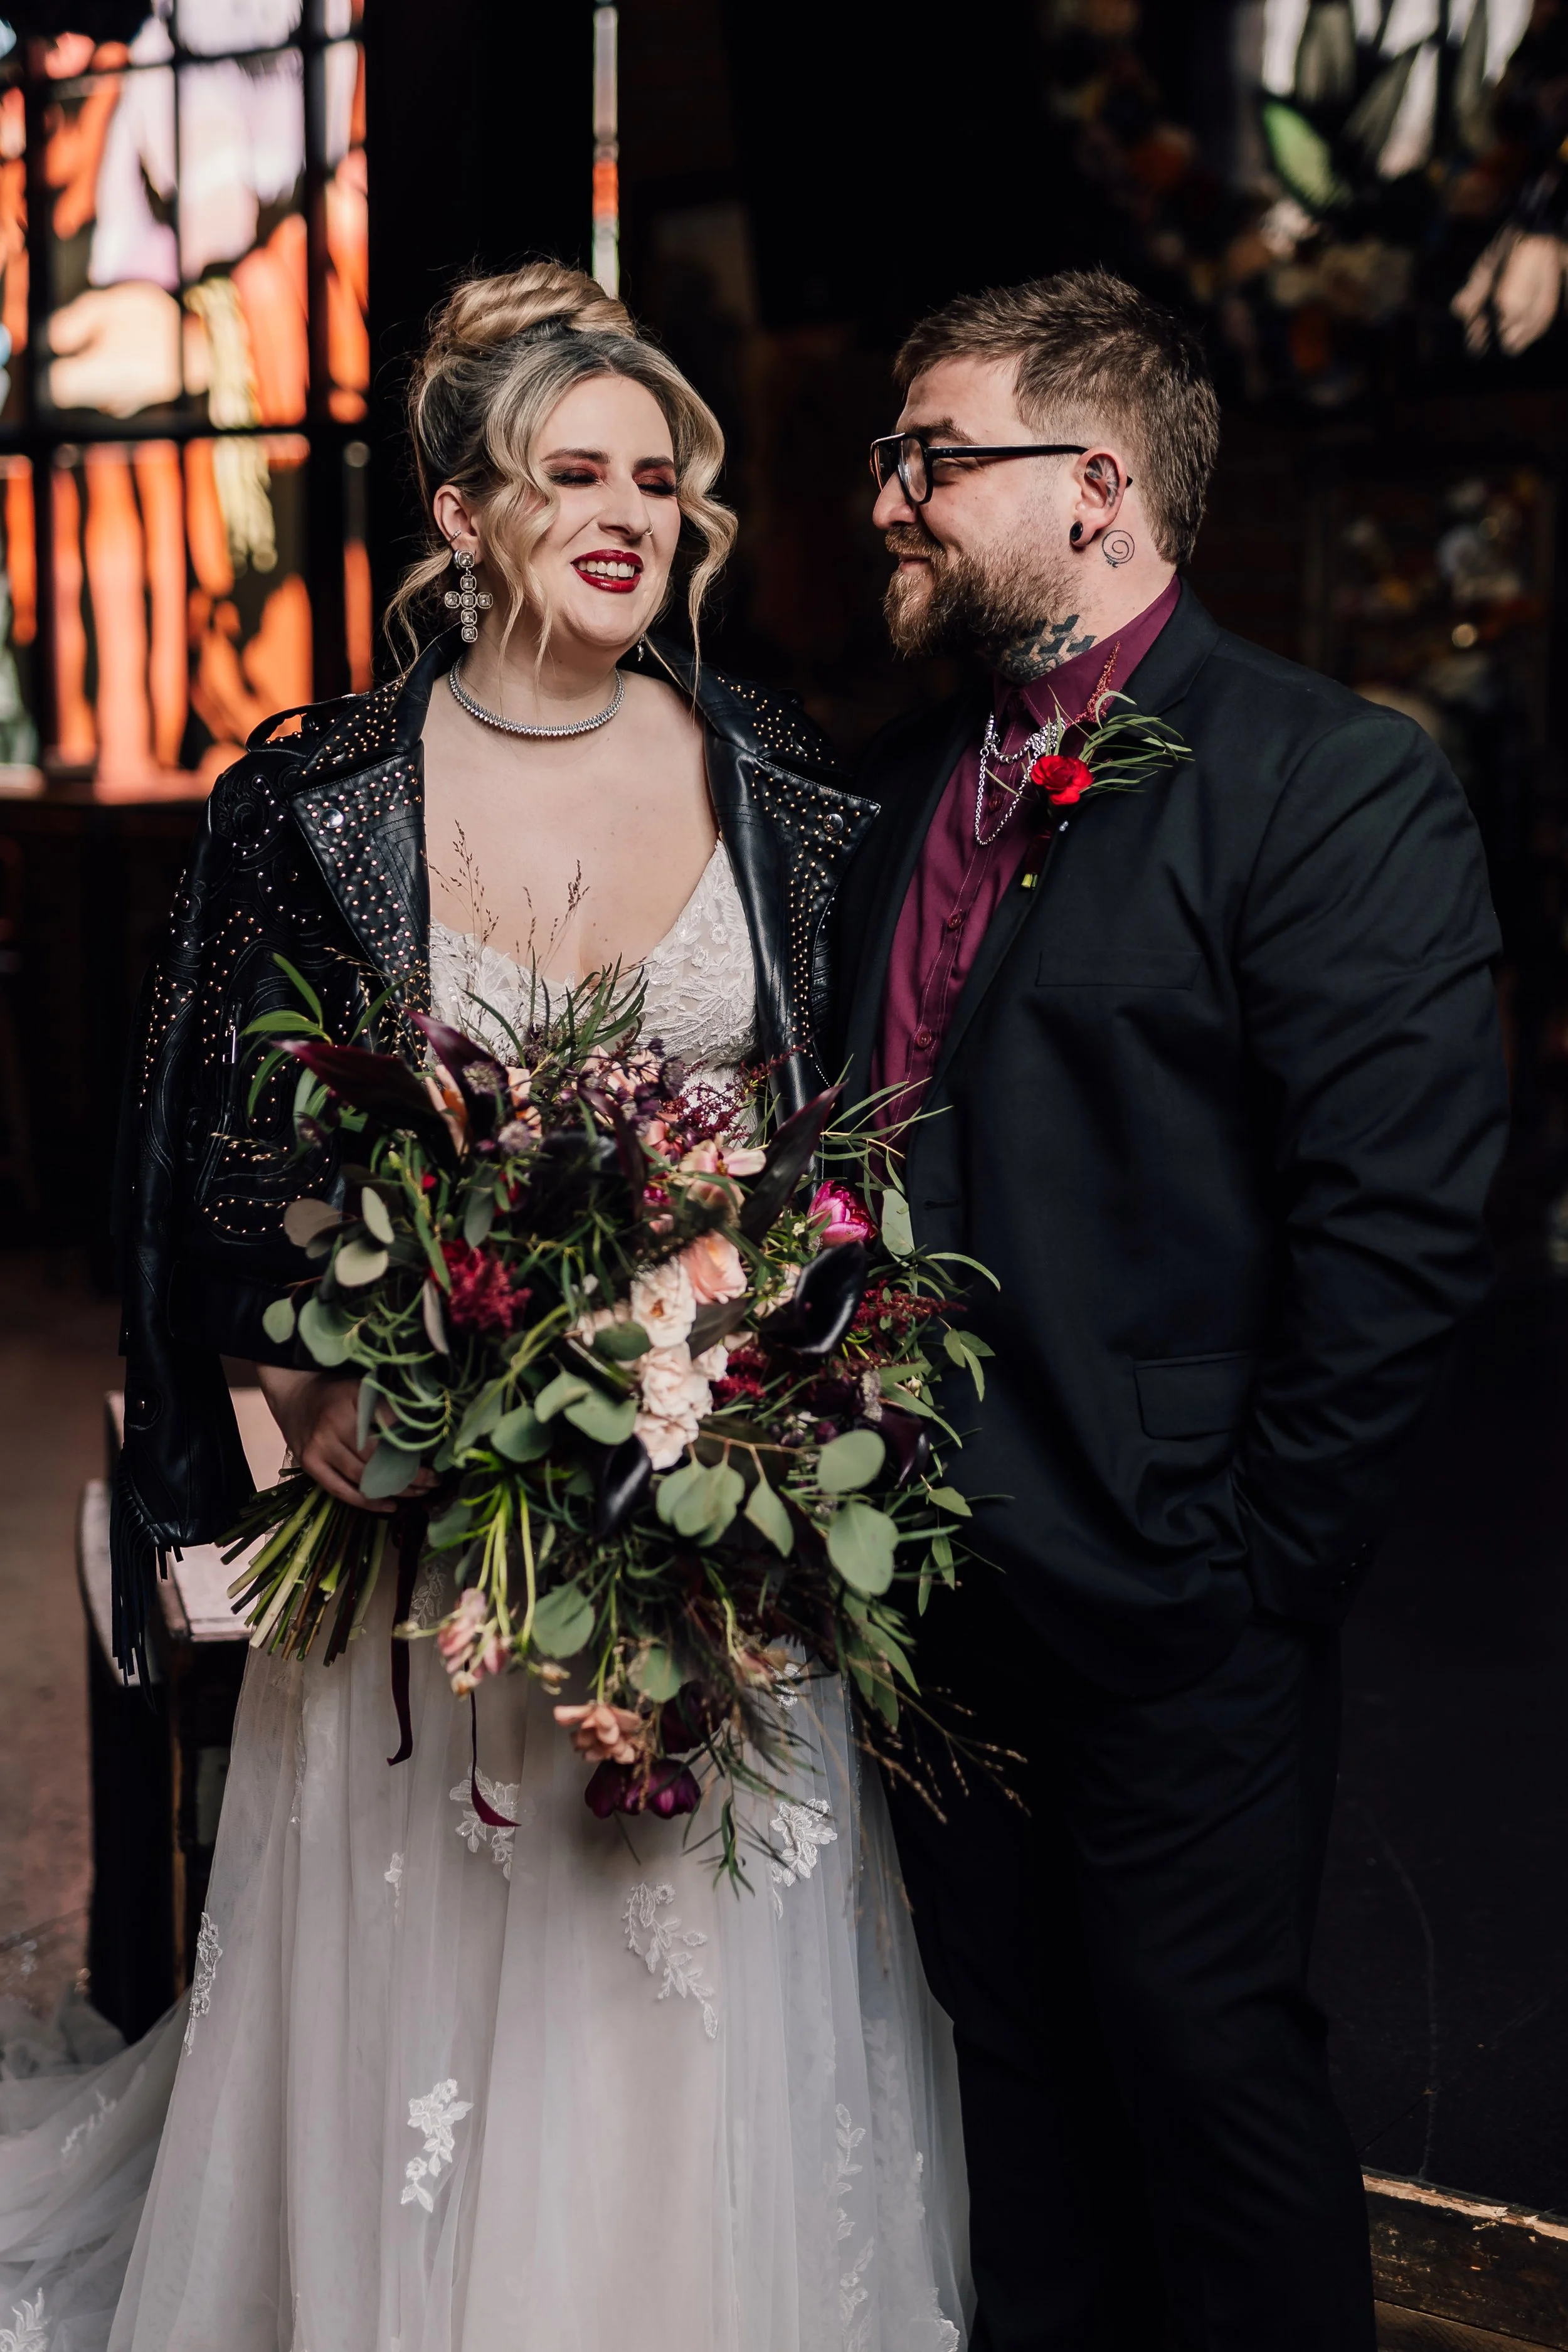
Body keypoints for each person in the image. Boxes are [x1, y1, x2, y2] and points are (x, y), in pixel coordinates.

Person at [0, 264, 969, 2352]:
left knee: (690, 1946)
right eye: (570, 474)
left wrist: (781, 1359)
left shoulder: (772, 775)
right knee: (458, 1927)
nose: (627, 515)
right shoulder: (316, 801)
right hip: (430, 1521)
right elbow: (220, 1153)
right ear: (462, 514)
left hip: (712, 1501)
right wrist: (306, 1384)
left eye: (657, 479)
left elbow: (836, 1130)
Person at [827, 269, 1510, 2352]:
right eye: (890, 457)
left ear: (1098, 484)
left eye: (932, 456)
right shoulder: (890, 788)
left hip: (1167, 1589)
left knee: (1206, 2083)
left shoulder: (1325, 779)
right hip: (911, 1584)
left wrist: (1251, 1564)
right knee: (1009, 2088)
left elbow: (1395, 1223)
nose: (887, 499)